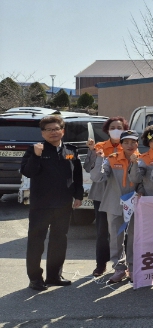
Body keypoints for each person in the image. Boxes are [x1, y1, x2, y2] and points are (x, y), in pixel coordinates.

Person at [21, 115, 83, 291]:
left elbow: (77, 174)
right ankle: (35, 278)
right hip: (41, 205)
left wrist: (78, 196)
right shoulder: (34, 150)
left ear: (62, 131)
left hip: (63, 204)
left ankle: (54, 276)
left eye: (56, 129)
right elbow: (28, 172)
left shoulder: (70, 150)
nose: (53, 132)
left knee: (59, 241)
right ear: (42, 133)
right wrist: (36, 156)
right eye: (48, 130)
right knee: (36, 242)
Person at [91, 130, 139, 284]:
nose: (130, 145)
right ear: (121, 144)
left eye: (133, 142)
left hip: (135, 204)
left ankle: (133, 267)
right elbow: (97, 177)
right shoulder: (111, 159)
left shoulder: (142, 159)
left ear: (137, 144)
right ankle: (119, 268)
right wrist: (99, 159)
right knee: (116, 237)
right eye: (126, 142)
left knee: (134, 237)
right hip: (114, 204)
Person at [84, 116, 127, 277]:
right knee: (102, 232)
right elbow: (88, 167)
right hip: (101, 194)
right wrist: (92, 152)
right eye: (113, 127)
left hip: (121, 194)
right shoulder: (99, 146)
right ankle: (100, 264)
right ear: (107, 130)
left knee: (122, 232)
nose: (116, 130)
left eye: (119, 127)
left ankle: (122, 265)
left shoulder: (128, 146)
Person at [131, 125, 153, 196]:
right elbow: (138, 180)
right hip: (150, 199)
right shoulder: (143, 158)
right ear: (148, 142)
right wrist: (141, 191)